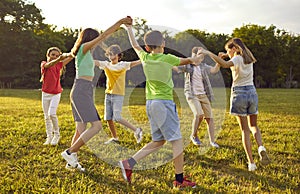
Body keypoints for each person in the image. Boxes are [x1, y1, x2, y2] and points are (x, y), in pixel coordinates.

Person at [119, 23, 204, 189]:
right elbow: (193, 61)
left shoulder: (145, 57)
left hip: (151, 104)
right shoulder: (168, 59)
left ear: (148, 46)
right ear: (163, 43)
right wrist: (201, 54)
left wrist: (129, 28)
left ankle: (129, 163)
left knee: (159, 140)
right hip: (164, 103)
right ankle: (179, 181)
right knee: (177, 140)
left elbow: (135, 45)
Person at [60, 17, 133, 172]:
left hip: (81, 89)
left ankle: (71, 161)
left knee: (80, 128)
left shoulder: (84, 53)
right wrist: (120, 22)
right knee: (97, 126)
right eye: (96, 39)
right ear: (90, 39)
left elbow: (102, 39)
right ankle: (69, 152)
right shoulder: (84, 48)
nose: (98, 42)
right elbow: (104, 36)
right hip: (81, 89)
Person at [198, 38, 271, 171]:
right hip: (252, 92)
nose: (227, 53)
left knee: (245, 130)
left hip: (239, 94)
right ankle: (261, 147)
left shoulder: (236, 59)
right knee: (254, 125)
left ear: (235, 49)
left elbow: (225, 65)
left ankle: (251, 163)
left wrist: (208, 53)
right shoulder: (249, 59)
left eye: (228, 50)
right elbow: (227, 60)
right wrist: (225, 54)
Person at [94, 44, 143, 144]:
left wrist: (145, 57)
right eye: (109, 54)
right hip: (108, 94)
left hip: (118, 95)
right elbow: (93, 62)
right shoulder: (106, 65)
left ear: (118, 55)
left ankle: (137, 130)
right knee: (108, 118)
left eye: (113, 54)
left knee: (117, 117)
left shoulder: (123, 65)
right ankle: (115, 137)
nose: (111, 56)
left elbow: (138, 62)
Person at [174, 47, 220, 148]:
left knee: (209, 118)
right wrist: (168, 63)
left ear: (202, 58)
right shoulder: (187, 65)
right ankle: (193, 135)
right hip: (192, 94)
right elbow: (176, 68)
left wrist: (219, 61)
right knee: (198, 114)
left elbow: (214, 70)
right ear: (192, 56)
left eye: (200, 57)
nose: (197, 60)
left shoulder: (203, 66)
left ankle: (212, 141)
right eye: (195, 57)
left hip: (204, 95)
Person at [40, 47, 73, 145]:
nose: (54, 57)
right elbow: (49, 65)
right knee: (46, 117)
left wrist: (76, 49)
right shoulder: (44, 64)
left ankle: (57, 135)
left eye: (57, 55)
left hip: (56, 94)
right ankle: (49, 137)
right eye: (52, 55)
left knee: (52, 114)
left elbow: (71, 55)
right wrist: (59, 58)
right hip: (45, 94)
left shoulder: (59, 65)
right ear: (48, 55)